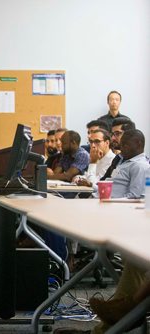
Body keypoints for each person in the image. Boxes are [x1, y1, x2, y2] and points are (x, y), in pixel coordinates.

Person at [54, 130, 149, 334]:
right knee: (137, 262)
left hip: (124, 215)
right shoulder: (123, 163)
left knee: (140, 263)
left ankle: (126, 313)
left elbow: (136, 196)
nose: (120, 147)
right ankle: (119, 317)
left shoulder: (140, 166)